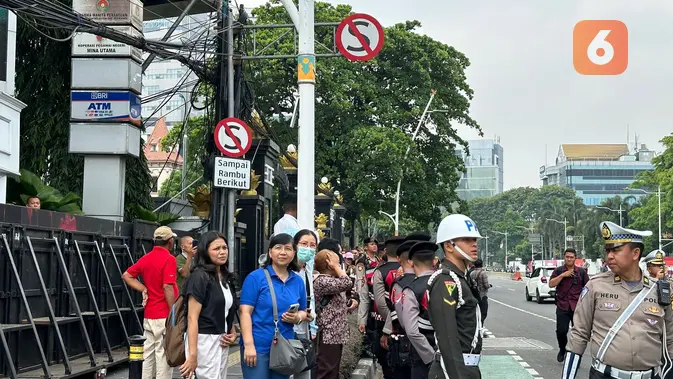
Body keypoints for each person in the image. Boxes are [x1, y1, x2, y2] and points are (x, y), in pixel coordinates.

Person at [562, 221, 673, 379]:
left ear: (635, 254)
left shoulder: (660, 290)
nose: (609, 256)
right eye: (607, 250)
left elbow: (670, 340)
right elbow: (579, 336)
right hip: (605, 375)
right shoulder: (596, 286)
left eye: (616, 250)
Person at [239, 233, 309, 379]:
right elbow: (245, 312)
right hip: (259, 346)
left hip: (285, 346)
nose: (283, 252)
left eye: (288, 249)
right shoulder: (256, 278)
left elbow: (304, 312)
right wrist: (249, 345)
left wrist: (297, 317)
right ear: (270, 252)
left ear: (294, 253)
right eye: (278, 248)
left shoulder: (297, 281)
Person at [427, 214, 483, 379]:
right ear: (449, 246)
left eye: (475, 239)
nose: (474, 244)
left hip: (467, 368)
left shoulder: (461, 279)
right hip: (451, 371)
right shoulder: (445, 280)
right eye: (466, 239)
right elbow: (448, 339)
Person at [121, 226, 179, 379]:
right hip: (164, 315)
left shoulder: (146, 258)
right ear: (170, 241)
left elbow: (126, 275)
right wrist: (174, 311)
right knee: (163, 355)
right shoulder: (169, 259)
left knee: (148, 354)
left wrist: (143, 288)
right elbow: (168, 286)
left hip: (149, 314)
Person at [179, 231, 238, 379]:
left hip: (221, 340)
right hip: (203, 341)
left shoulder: (225, 278)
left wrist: (232, 332)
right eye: (216, 249)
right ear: (205, 251)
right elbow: (192, 318)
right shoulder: (199, 277)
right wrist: (193, 355)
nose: (222, 252)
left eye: (224, 248)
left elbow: (225, 309)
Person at [400, 241, 438, 379]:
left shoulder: (412, 289)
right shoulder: (447, 283)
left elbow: (412, 331)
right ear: (434, 261)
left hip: (423, 357)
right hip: (449, 353)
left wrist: (431, 357)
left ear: (411, 262)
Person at [313, 249, 353, 379]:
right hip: (328, 333)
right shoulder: (322, 281)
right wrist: (336, 267)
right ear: (329, 265)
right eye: (337, 262)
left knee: (333, 370)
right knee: (327, 370)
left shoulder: (330, 280)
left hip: (334, 333)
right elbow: (347, 283)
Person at [548, 248, 590, 362]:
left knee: (578, 334)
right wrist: (563, 275)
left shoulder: (581, 272)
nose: (569, 259)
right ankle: (562, 349)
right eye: (567, 257)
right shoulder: (558, 271)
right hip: (562, 305)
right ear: (564, 257)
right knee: (561, 331)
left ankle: (576, 356)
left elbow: (588, 288)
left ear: (575, 258)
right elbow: (551, 284)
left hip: (577, 307)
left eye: (571, 257)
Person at [373, 237, 406, 379]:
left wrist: (390, 321)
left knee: (388, 364)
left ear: (386, 251)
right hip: (409, 326)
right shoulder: (410, 271)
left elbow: (380, 303)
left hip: (386, 324)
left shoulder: (380, 271)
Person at [356, 237, 381, 358]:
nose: (374, 246)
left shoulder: (377, 260)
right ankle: (366, 347)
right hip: (367, 292)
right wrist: (362, 293)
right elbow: (361, 279)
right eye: (371, 244)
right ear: (366, 247)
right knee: (368, 321)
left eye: (375, 244)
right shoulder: (362, 261)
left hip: (377, 293)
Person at [468, 259, 491, 324]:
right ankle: (480, 324)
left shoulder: (471, 273)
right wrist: (489, 286)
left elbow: (470, 284)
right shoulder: (483, 273)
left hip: (474, 295)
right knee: (483, 312)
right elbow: (486, 285)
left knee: (476, 312)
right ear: (482, 264)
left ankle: (476, 325)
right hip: (482, 295)